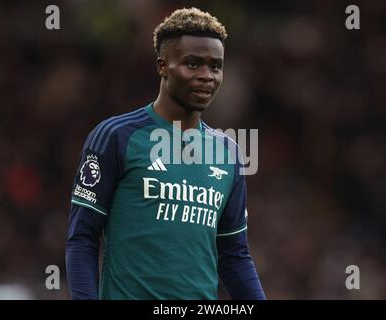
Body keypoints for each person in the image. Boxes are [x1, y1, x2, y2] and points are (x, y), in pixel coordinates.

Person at [66, 7, 265, 300]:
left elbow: (234, 256)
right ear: (162, 66)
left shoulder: (229, 152)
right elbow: (82, 239)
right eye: (193, 64)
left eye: (215, 66)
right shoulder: (116, 136)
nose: (207, 76)